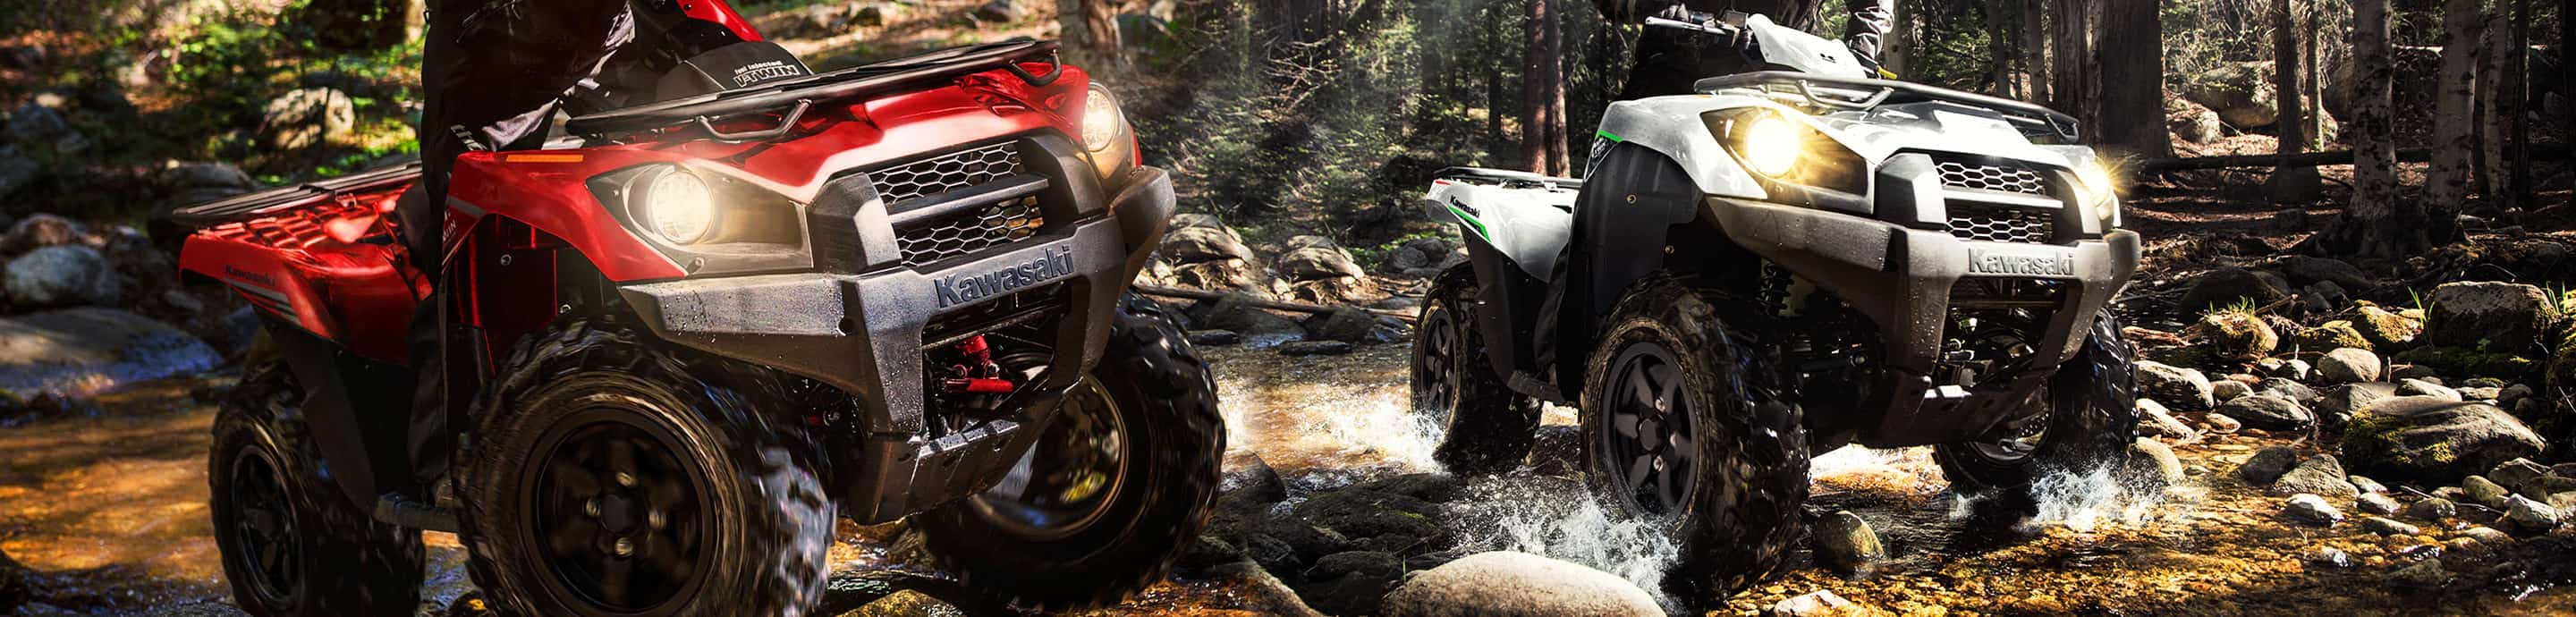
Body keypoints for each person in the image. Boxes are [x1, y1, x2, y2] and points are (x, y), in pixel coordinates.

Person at [404, 0, 737, 496]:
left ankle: (719, 371)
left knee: (720, 135)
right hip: (495, 40)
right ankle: (450, 466)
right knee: (465, 227)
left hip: (608, 22)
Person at [1589, 0, 1895, 99]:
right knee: (1632, 156)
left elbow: (1873, 5)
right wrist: (1661, 6)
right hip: (1677, 67)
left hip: (1781, 81)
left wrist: (1861, 54)